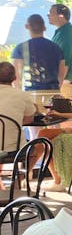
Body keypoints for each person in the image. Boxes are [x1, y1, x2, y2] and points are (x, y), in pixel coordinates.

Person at [11, 13, 66, 109]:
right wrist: (58, 86)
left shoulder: (21, 48)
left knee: (34, 121)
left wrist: (19, 93)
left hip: (30, 92)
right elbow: (63, 69)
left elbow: (16, 75)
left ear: (27, 26)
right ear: (44, 28)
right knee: (54, 120)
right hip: (53, 91)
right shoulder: (56, 48)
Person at [0, 60, 36, 190]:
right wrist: (12, 120)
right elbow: (29, 118)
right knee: (37, 146)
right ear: (15, 78)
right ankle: (19, 181)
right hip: (14, 150)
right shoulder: (22, 95)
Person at [48, 3, 72, 101]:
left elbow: (64, 63)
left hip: (67, 81)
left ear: (61, 16)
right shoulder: (63, 32)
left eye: (51, 13)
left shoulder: (66, 34)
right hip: (66, 81)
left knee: (62, 112)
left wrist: (57, 86)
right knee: (61, 112)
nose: (48, 15)